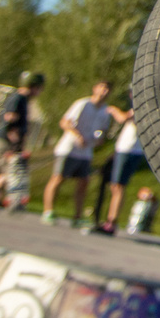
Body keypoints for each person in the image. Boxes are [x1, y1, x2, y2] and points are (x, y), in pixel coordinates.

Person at [42, 80, 115, 225]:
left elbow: (103, 130)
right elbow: (65, 122)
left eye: (108, 89)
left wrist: (99, 139)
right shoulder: (83, 104)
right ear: (95, 88)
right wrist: (77, 135)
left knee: (84, 182)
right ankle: (48, 211)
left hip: (86, 151)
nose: (104, 92)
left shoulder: (105, 111)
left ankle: (77, 216)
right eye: (102, 88)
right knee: (58, 178)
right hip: (69, 148)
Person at [0, 71, 42, 207]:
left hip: (4, 139)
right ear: (33, 86)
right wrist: (14, 139)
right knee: (3, 171)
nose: (39, 92)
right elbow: (9, 118)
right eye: (39, 88)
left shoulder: (21, 99)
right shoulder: (19, 98)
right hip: (5, 140)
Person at [98, 98, 143, 235]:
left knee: (118, 186)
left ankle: (112, 221)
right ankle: (111, 219)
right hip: (131, 150)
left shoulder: (138, 108)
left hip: (127, 149)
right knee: (116, 186)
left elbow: (122, 118)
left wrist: (113, 110)